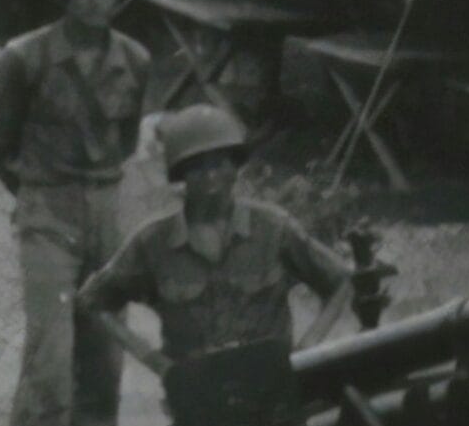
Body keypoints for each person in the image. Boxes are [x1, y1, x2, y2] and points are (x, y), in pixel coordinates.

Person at [0, 0, 150, 426]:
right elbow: (0, 145)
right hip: (47, 207)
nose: (94, 4)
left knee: (104, 350)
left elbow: (127, 140)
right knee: (49, 354)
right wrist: (35, 201)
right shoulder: (25, 59)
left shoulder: (134, 60)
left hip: (106, 205)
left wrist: (93, 194)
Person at [78, 104, 351, 389]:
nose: (211, 177)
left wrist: (306, 348)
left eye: (220, 164)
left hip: (272, 384)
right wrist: (155, 361)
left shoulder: (273, 228)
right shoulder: (153, 241)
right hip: (196, 392)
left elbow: (340, 279)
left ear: (235, 166)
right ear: (180, 175)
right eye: (198, 167)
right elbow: (94, 301)